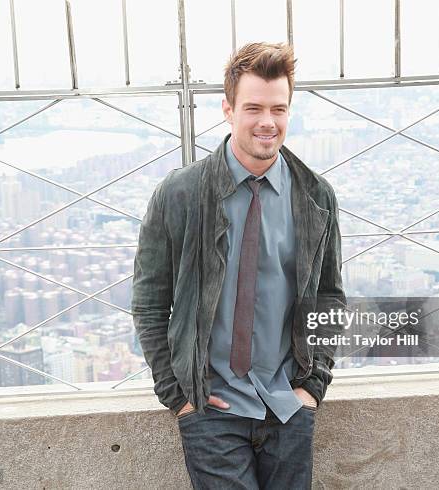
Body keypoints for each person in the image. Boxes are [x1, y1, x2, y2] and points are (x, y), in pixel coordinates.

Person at [132, 42, 346, 489]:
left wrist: (312, 389)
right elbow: (150, 304)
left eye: (278, 109)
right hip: (211, 408)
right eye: (253, 108)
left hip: (288, 403)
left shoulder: (315, 197)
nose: (267, 122)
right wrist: (179, 397)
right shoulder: (180, 195)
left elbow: (330, 300)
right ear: (228, 110)